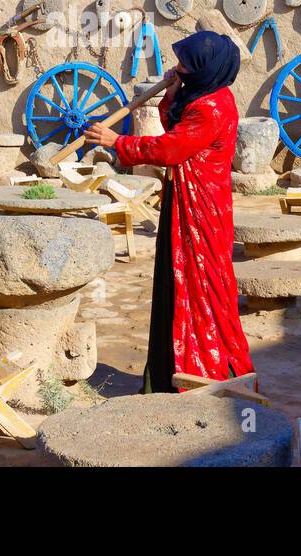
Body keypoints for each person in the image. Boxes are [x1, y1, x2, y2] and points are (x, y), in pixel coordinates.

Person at [83, 30, 253, 392]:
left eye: (185, 64)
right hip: (187, 200)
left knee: (201, 283)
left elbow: (171, 149)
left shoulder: (211, 107)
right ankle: (171, 367)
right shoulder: (206, 96)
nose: (178, 68)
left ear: (205, 69)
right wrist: (171, 94)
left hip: (201, 210)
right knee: (178, 279)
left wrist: (118, 142)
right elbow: (177, 126)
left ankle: (206, 370)